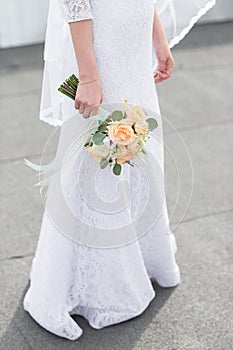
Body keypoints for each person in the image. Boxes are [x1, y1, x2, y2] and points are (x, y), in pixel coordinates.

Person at [23, 0, 216, 341]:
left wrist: (158, 40)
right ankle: (96, 282)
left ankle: (143, 255)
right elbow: (75, 3)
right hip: (103, 47)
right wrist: (89, 76)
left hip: (133, 45)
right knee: (98, 155)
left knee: (139, 148)